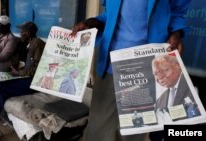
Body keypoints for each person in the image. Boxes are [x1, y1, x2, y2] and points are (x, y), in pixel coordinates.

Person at [70, 0, 191, 141]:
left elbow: (176, 13)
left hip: (146, 69)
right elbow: (109, 15)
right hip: (110, 64)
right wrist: (93, 22)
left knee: (133, 131)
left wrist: (176, 34)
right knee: (98, 126)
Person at [151, 54, 195, 140]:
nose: (160, 77)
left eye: (165, 70)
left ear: (178, 66)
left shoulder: (194, 88)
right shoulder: (160, 100)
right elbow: (155, 136)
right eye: (156, 73)